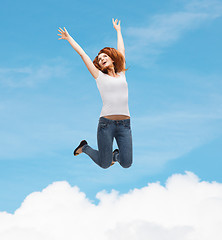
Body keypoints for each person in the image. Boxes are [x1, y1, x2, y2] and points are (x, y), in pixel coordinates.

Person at [57, 18, 133, 169]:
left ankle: (115, 155)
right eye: (99, 59)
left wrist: (118, 31)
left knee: (126, 163)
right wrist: (69, 38)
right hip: (106, 124)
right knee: (104, 165)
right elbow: (83, 54)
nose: (102, 59)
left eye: (104, 56)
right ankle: (84, 147)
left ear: (112, 58)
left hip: (125, 124)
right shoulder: (99, 76)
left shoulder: (121, 74)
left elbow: (121, 51)